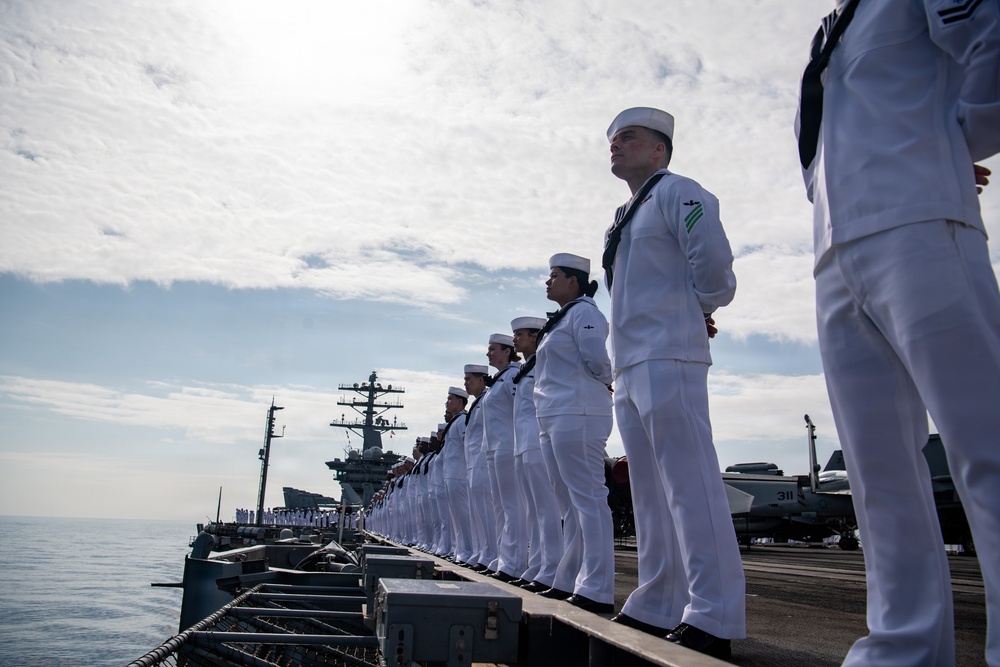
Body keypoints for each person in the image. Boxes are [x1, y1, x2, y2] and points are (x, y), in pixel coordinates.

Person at [795, 3, 1000, 665]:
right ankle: (903, 647)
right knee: (876, 472)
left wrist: (950, 138)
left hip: (918, 221)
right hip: (836, 248)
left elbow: (991, 35)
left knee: (985, 442)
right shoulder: (832, 28)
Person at [603, 107, 744, 657]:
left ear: (659, 148)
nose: (615, 145)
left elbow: (712, 264)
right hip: (631, 363)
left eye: (628, 137)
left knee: (691, 486)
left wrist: (698, 308)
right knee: (652, 495)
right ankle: (660, 599)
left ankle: (715, 612)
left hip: (668, 353)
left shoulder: (678, 192)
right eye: (612, 139)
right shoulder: (624, 212)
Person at [534, 253, 616, 614]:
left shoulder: (585, 313)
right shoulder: (563, 319)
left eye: (554, 276)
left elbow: (597, 359)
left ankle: (597, 587)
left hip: (577, 412)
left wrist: (606, 382)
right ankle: (569, 578)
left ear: (574, 281)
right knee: (569, 503)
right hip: (554, 415)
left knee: (588, 499)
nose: (548, 282)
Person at [509, 315, 564, 593]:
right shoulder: (525, 369)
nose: (515, 339)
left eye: (520, 334)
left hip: (539, 441)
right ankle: (538, 566)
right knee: (533, 510)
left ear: (534, 336)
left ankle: (553, 567)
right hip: (523, 445)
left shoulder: (544, 361)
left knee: (546, 509)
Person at [480, 333, 527, 581]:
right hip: (493, 449)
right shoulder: (499, 380)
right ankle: (503, 558)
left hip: (508, 446)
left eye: (493, 349)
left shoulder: (513, 376)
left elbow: (522, 409)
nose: (488, 353)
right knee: (499, 507)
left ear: (507, 351)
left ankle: (515, 564)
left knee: (512, 507)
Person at [463, 363, 497, 572]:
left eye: (468, 379)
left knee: (487, 512)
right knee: (477, 513)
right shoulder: (477, 404)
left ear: (480, 380)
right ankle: (483, 553)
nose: (466, 383)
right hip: (473, 465)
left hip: (484, 462)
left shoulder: (486, 401)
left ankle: (491, 554)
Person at [441, 386, 474, 566]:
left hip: (459, 474)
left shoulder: (462, 421)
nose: (447, 402)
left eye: (450, 399)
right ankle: (459, 551)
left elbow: (466, 445)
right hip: (451, 475)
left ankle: (467, 552)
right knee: (455, 517)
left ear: (460, 402)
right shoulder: (454, 422)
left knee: (462, 515)